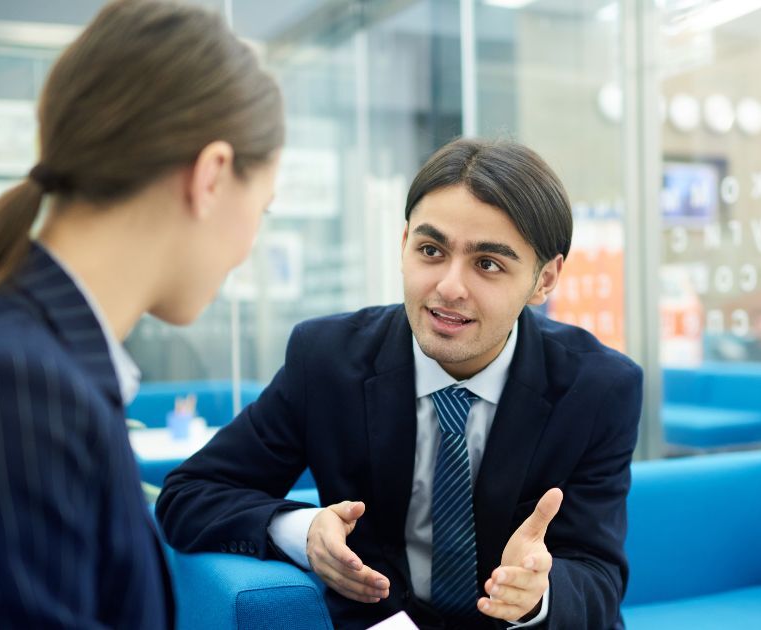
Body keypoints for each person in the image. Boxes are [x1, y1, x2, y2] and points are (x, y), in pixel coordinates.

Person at [0, 0, 284, 626]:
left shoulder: (25, 361)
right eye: (265, 209)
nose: (251, 244)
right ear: (212, 176)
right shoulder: (3, 392)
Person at [157, 138, 643, 629]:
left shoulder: (599, 388)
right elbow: (189, 493)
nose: (449, 286)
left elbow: (598, 575)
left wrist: (539, 593)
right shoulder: (326, 359)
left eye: (488, 264)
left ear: (545, 280)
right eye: (431, 250)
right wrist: (304, 531)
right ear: (404, 243)